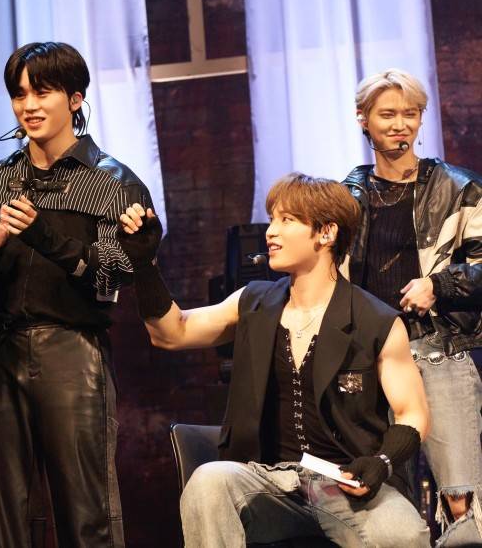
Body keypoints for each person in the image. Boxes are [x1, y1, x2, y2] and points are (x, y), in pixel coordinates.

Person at [120, 173, 430, 547]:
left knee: (405, 534)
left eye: (287, 220)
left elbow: (413, 412)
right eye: (272, 219)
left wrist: (381, 462)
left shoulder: (376, 321)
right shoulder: (252, 302)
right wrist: (144, 266)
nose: (271, 231)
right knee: (208, 481)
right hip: (269, 480)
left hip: (345, 484)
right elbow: (172, 332)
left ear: (326, 233)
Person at [0, 42, 152, 547]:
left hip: (74, 350)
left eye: (43, 92)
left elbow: (114, 275)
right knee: (5, 513)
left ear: (75, 99)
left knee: (86, 513)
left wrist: (46, 237)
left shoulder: (112, 183)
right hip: (7, 351)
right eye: (19, 95)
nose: (29, 106)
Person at [343, 68, 482, 544]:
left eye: (411, 113)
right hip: (370, 362)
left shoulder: (459, 188)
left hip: (438, 353)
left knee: (462, 498)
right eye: (388, 114)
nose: (400, 124)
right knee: (385, 502)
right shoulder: (347, 197)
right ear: (363, 119)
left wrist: (439, 285)